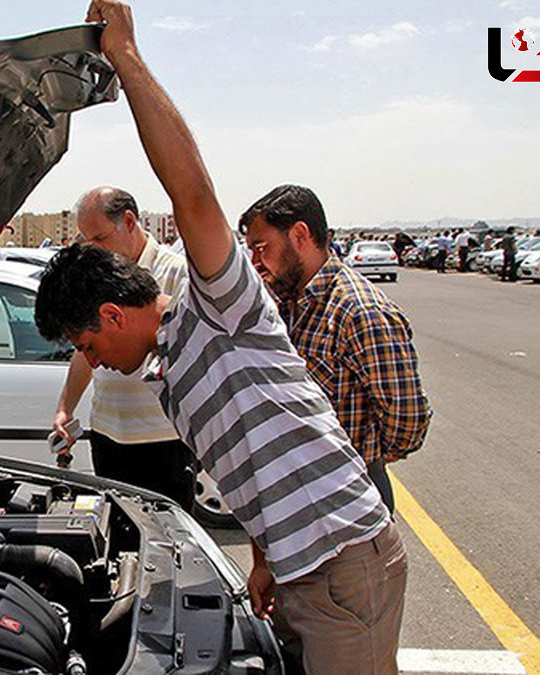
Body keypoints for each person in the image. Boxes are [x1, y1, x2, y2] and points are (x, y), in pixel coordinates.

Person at [36, 4, 406, 672]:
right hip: (301, 568)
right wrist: (264, 555)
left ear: (113, 316)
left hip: (343, 564)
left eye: (88, 346)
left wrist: (126, 56)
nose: (93, 363)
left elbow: (192, 193)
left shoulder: (217, 303)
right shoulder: (169, 375)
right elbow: (259, 467)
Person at [241, 185, 431, 513]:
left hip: (350, 495)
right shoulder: (287, 302)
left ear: (300, 235)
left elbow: (407, 421)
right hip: (298, 487)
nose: (255, 262)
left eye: (261, 248)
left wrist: (360, 457)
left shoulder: (360, 312)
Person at [51, 186, 192, 507]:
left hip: (163, 439)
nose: (94, 249)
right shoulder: (96, 279)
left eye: (99, 239)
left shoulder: (176, 273)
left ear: (129, 221)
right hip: (108, 433)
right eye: (87, 241)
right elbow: (84, 350)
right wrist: (65, 409)